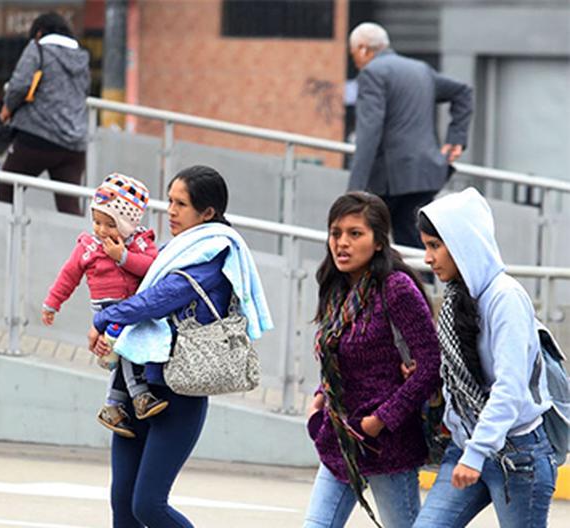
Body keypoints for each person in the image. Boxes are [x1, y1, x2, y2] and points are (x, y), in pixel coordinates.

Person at [86, 165, 273, 527]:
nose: (170, 210)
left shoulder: (212, 255)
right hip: (135, 387)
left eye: (181, 204)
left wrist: (104, 321)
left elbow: (161, 298)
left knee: (149, 505)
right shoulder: (174, 249)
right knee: (122, 505)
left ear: (208, 213)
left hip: (177, 393)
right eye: (169, 200)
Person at [413, 188, 557, 527]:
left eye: (435, 246)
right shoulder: (456, 298)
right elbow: (457, 376)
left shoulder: (504, 298)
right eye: (426, 247)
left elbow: (510, 388)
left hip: (517, 455)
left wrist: (476, 454)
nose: (428, 258)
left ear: (464, 243)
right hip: (466, 445)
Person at [303, 192, 441, 528]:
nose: (342, 243)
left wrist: (380, 419)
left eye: (355, 234)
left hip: (387, 445)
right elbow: (337, 353)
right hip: (341, 439)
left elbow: (430, 364)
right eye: (336, 233)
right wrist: (321, 396)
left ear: (378, 242)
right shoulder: (336, 288)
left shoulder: (397, 288)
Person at [42, 173, 162, 437]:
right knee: (124, 347)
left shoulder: (141, 243)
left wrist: (123, 257)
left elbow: (152, 268)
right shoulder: (88, 246)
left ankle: (113, 405)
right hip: (107, 308)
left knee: (121, 354)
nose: (101, 231)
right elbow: (69, 275)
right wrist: (53, 303)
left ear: (128, 224)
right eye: (96, 222)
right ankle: (139, 395)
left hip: (135, 305)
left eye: (109, 225)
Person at [346, 22, 473, 249]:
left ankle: (402, 284)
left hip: (392, 178)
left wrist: (354, 191)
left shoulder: (371, 74)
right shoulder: (420, 69)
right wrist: (456, 138)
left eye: (354, 53)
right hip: (425, 173)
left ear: (364, 49)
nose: (354, 60)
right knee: (413, 239)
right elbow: (463, 92)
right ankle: (419, 283)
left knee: (371, 242)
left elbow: (368, 133)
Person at [0, 12, 91, 215]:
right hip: (74, 145)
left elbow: (19, 85)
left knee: (7, 189)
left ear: (39, 33)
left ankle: (3, 242)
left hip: (37, 136)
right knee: (69, 207)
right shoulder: (82, 57)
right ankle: (80, 246)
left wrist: (7, 109)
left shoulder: (38, 48)